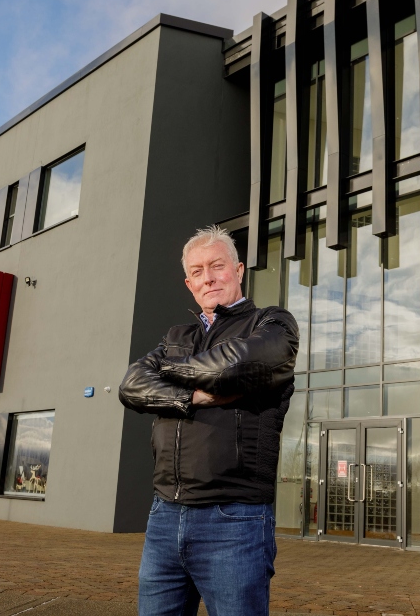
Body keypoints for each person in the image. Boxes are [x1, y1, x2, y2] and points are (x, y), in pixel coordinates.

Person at [119, 225, 299, 616]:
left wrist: (166, 372)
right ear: (188, 282)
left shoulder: (272, 324)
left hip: (234, 519)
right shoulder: (176, 337)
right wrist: (191, 395)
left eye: (217, 266)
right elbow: (131, 387)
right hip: (164, 516)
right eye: (198, 271)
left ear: (238, 269)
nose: (209, 277)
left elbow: (234, 366)